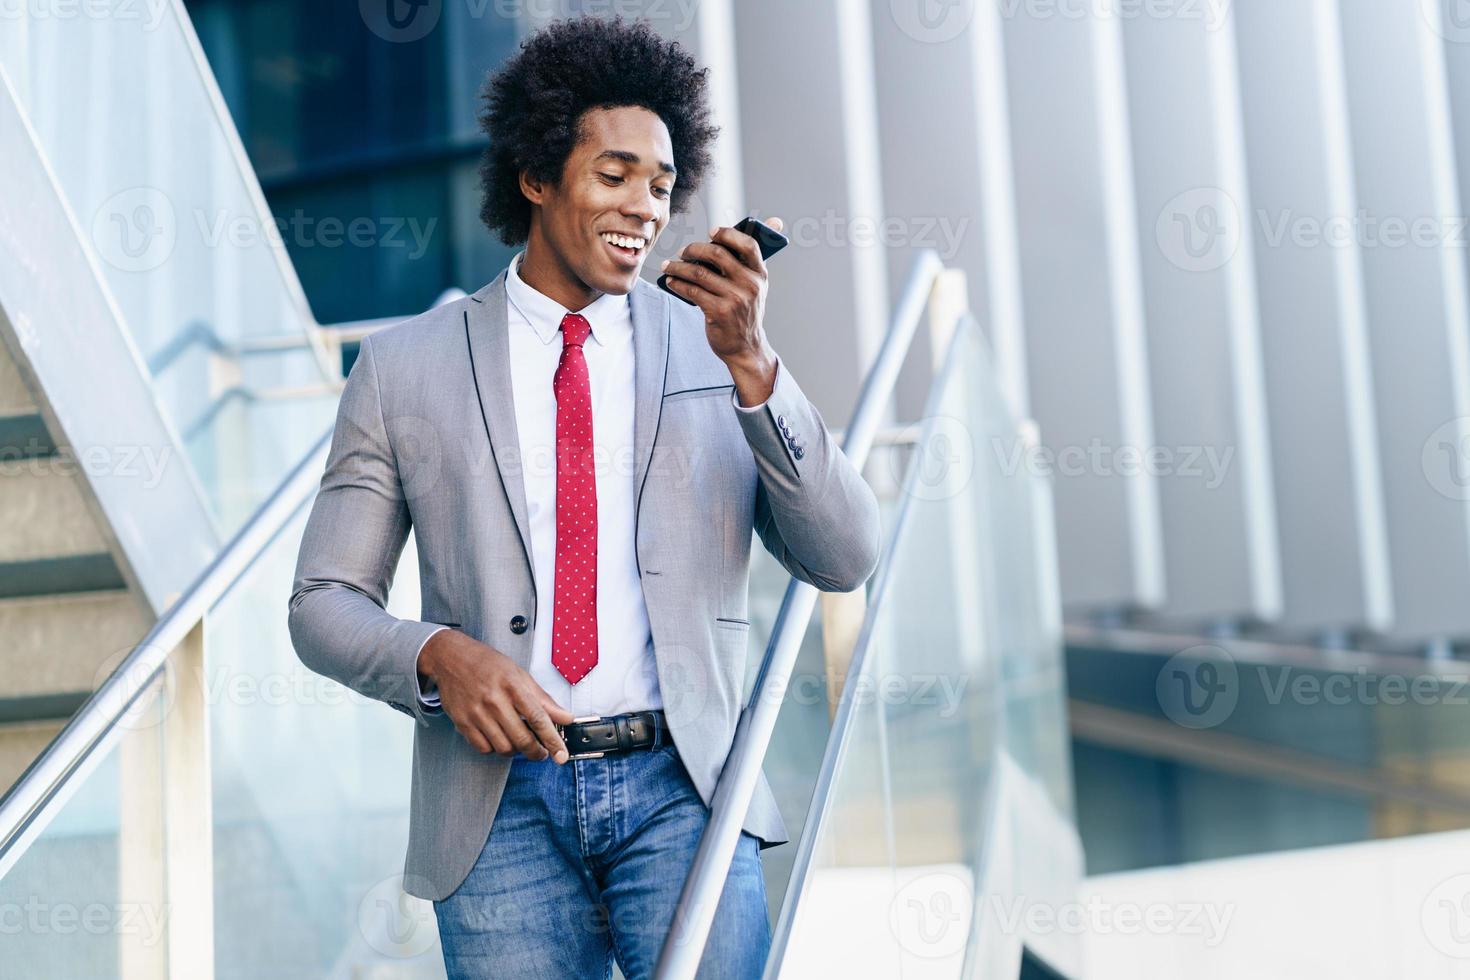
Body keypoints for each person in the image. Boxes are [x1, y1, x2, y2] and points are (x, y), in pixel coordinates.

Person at [288, 15, 881, 979]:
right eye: (613, 176)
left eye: (660, 183)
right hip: (495, 814)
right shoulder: (402, 369)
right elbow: (322, 606)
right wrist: (438, 655)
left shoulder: (712, 342)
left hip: (681, 793)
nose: (646, 207)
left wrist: (756, 366)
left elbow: (845, 554)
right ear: (535, 176)